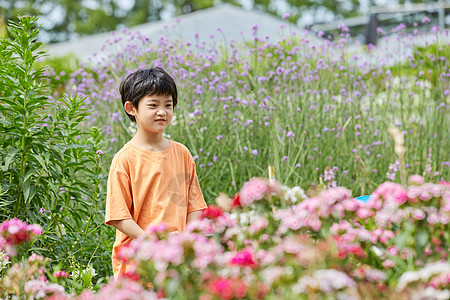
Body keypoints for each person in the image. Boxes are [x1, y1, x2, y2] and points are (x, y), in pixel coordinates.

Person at [105, 67, 207, 279]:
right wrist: (150, 241)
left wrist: (187, 240)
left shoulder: (182, 153)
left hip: (177, 260)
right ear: (131, 108)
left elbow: (194, 206)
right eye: (153, 105)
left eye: (168, 105)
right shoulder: (124, 159)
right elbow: (118, 216)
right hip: (139, 262)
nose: (162, 112)